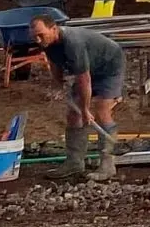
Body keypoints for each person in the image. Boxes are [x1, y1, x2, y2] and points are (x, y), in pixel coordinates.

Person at [29, 15, 124, 181]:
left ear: (54, 29)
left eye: (41, 35)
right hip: (89, 67)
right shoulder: (48, 42)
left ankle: (107, 165)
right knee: (73, 115)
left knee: (101, 111)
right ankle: (74, 162)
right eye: (34, 36)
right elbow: (55, 63)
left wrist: (85, 109)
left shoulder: (73, 43)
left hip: (110, 65)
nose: (37, 40)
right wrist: (57, 84)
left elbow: (84, 79)